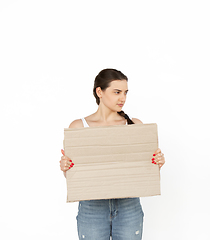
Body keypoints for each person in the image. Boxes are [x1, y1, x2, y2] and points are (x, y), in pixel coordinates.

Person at [59, 68, 165, 240]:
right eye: (117, 92)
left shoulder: (134, 125)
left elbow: (145, 169)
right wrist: (66, 168)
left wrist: (156, 162)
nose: (122, 98)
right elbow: (74, 176)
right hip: (92, 207)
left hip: (128, 206)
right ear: (99, 91)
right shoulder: (79, 127)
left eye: (125, 92)